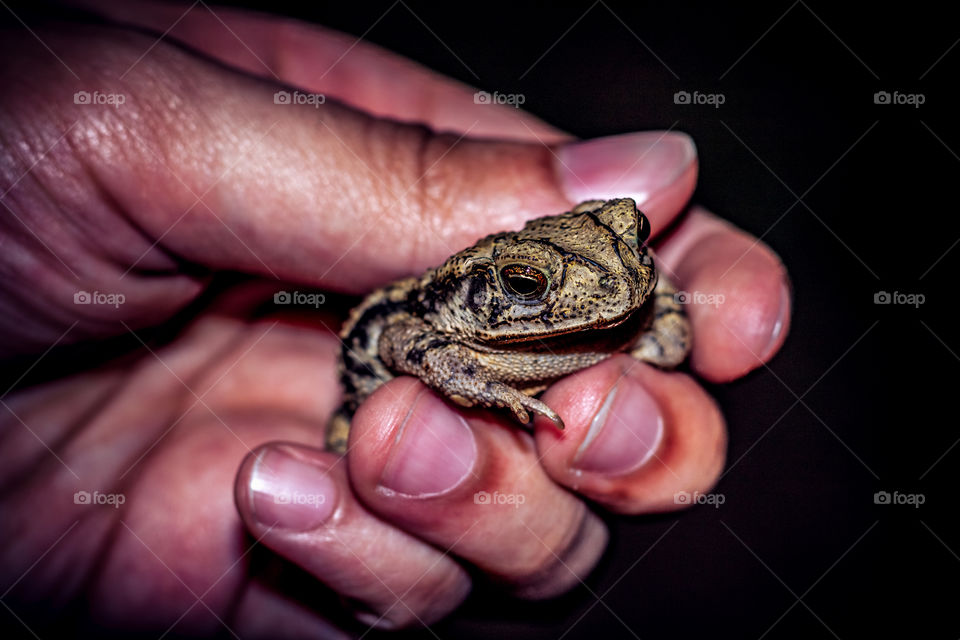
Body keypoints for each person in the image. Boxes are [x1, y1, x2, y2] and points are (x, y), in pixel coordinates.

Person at [0, 1, 790, 635]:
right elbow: (399, 337)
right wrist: (468, 374)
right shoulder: (450, 315)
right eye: (527, 281)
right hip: (379, 379)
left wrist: (654, 318)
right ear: (495, 288)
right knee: (375, 452)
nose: (623, 277)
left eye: (635, 236)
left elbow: (655, 316)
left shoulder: (624, 289)